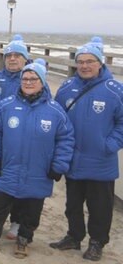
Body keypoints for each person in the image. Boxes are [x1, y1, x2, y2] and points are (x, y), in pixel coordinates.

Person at [0, 63, 75, 259]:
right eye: (25, 79)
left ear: (42, 82)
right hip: (8, 168)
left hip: (38, 171)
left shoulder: (55, 110)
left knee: (31, 211)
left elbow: (66, 139)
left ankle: (24, 240)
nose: (28, 82)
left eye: (33, 79)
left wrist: (59, 166)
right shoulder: (6, 105)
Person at [50, 41, 123, 261]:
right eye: (80, 62)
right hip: (73, 159)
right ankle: (74, 236)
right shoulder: (67, 87)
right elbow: (56, 116)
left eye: (90, 61)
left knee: (100, 207)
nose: (84, 66)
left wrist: (109, 144)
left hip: (101, 161)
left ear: (100, 63)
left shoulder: (114, 89)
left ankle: (97, 242)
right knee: (72, 204)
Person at [0, 34, 30, 239]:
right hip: (0, 138)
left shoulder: (32, 78)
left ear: (25, 58)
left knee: (20, 183)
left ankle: (16, 222)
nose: (12, 59)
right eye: (9, 55)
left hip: (22, 140)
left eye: (17, 55)